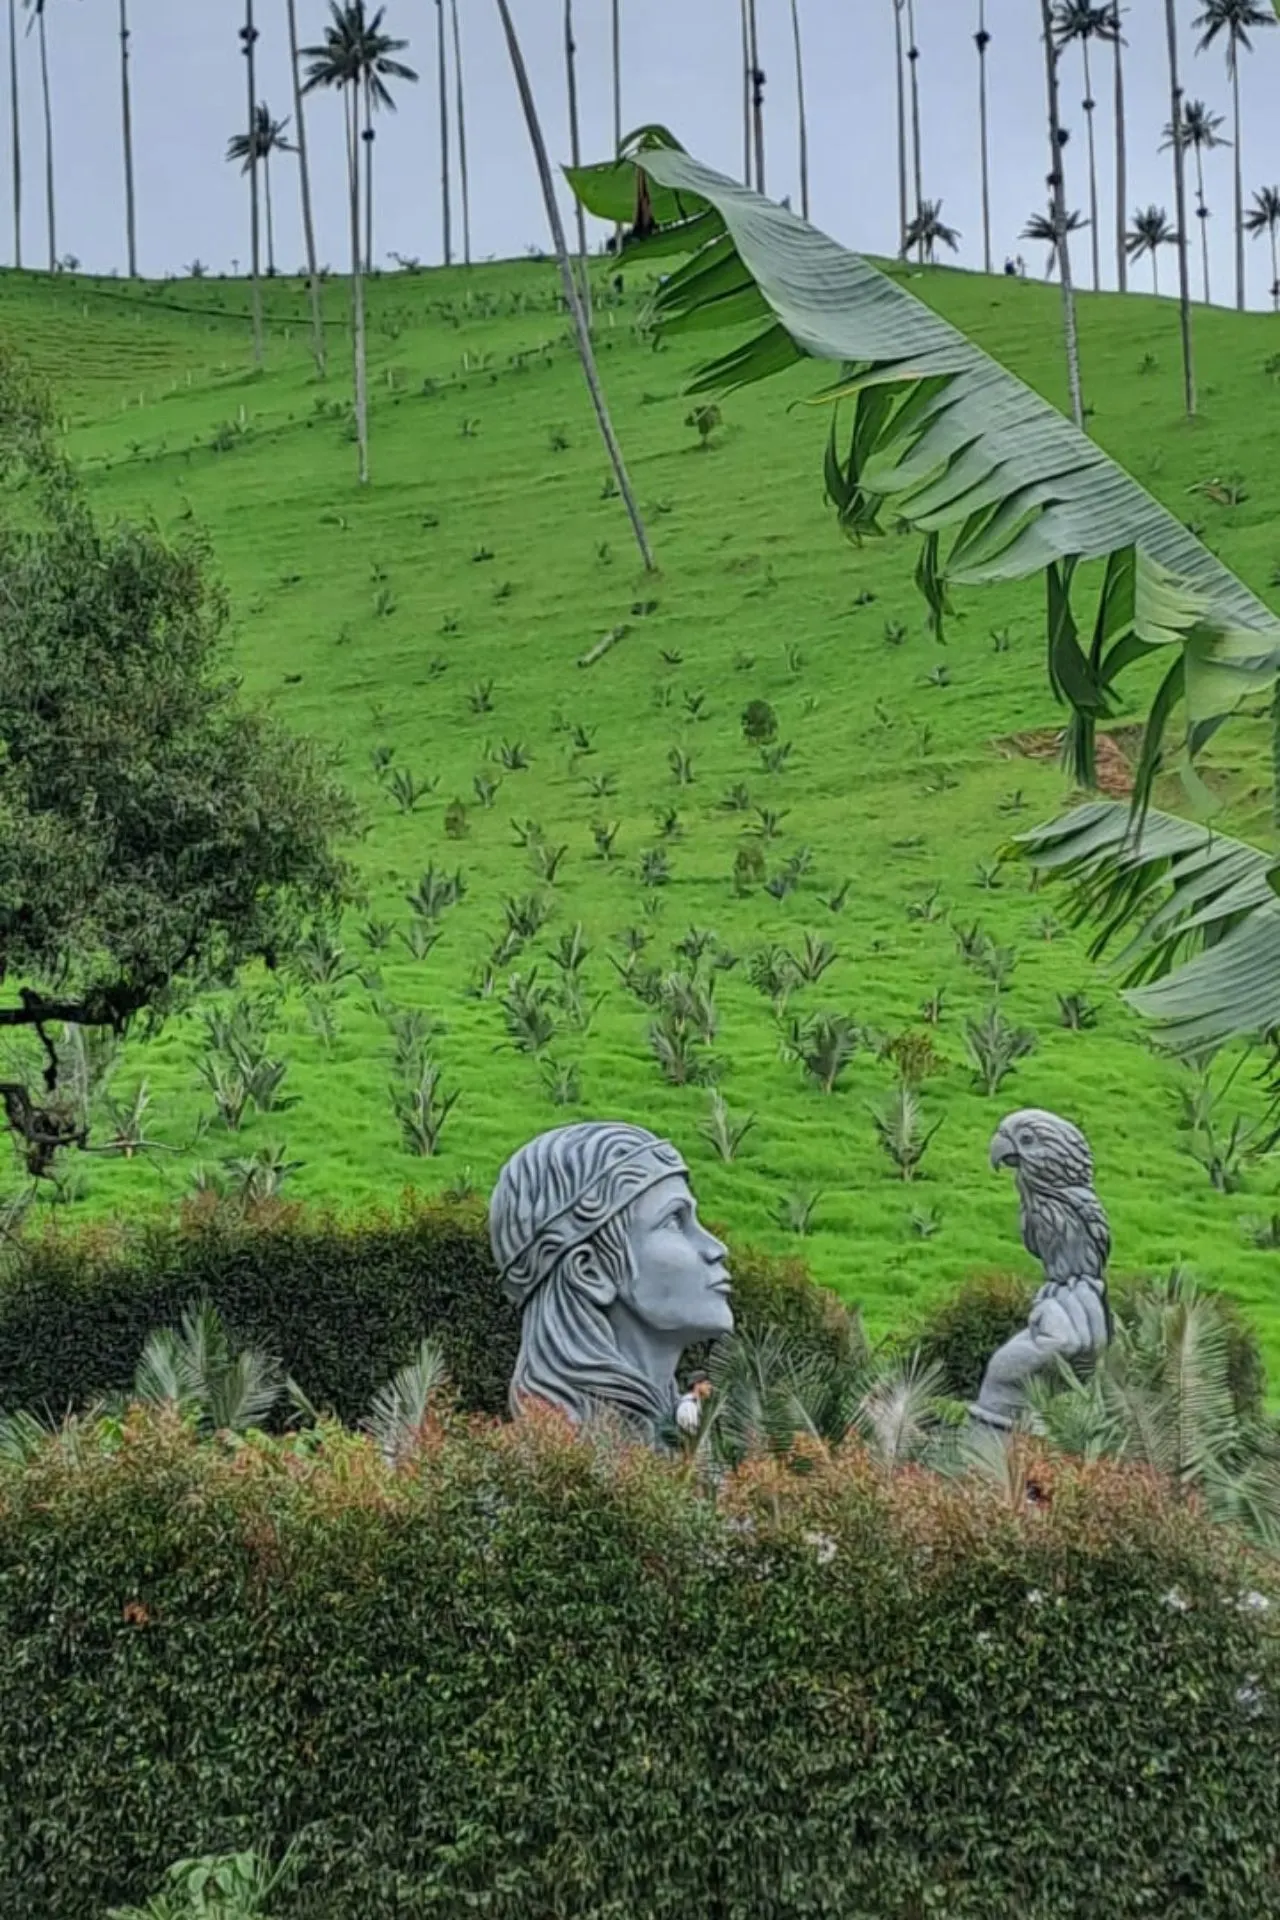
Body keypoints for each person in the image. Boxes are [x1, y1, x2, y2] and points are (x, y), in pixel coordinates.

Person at [490, 1122, 733, 1443]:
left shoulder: (674, 1439)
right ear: (588, 1270)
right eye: (674, 1221)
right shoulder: (563, 1469)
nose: (717, 1248)